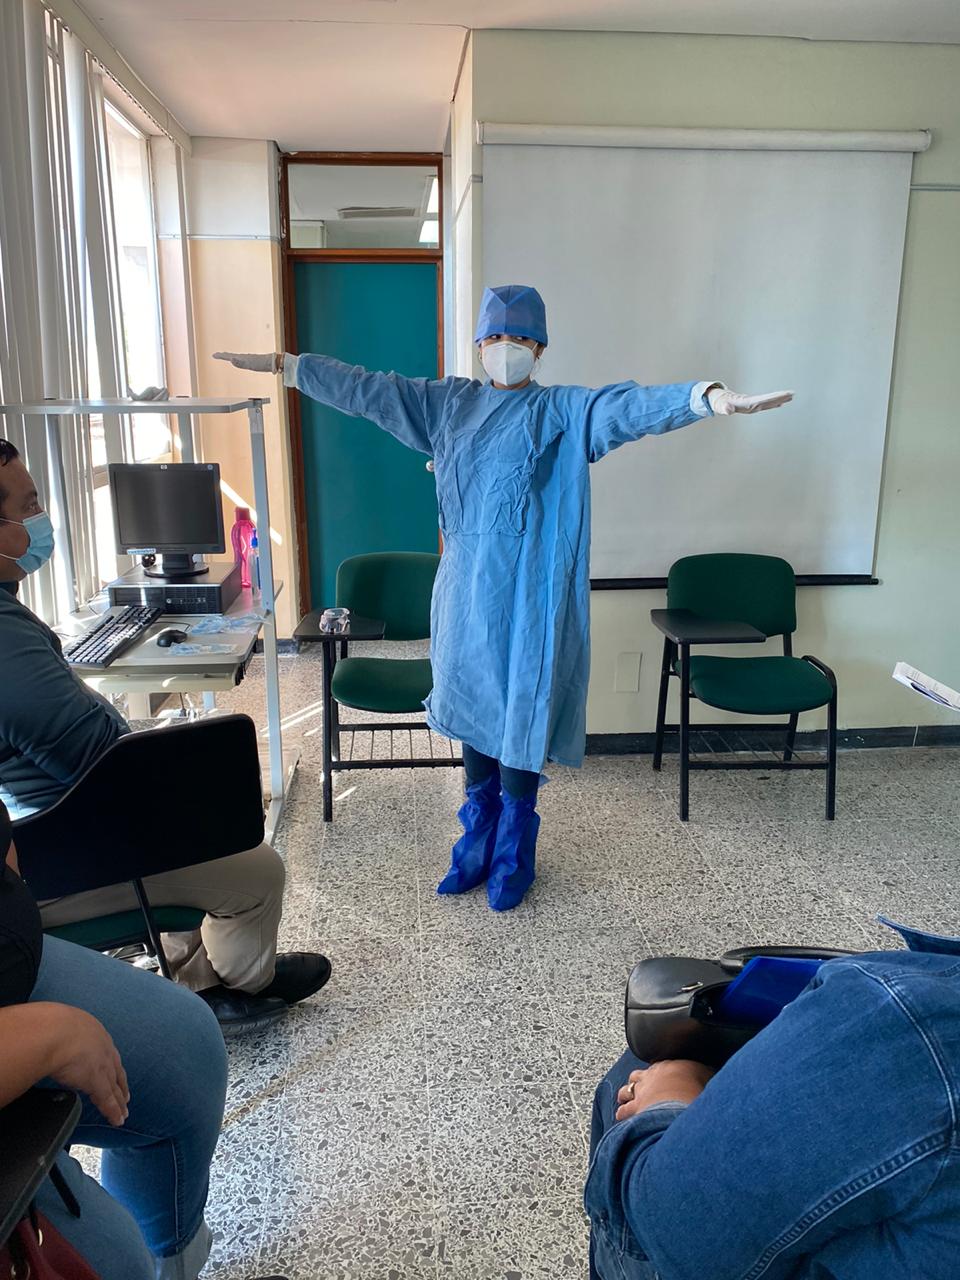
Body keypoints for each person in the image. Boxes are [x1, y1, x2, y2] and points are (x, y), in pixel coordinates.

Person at [215, 284, 792, 910]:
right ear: (478, 344)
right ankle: (475, 841)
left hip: (532, 598)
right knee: (471, 708)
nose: (504, 347)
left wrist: (704, 398)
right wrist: (292, 368)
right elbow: (369, 391)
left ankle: (516, 850)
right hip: (465, 595)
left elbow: (625, 407)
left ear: (539, 348)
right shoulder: (449, 406)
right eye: (493, 336)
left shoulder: (562, 412)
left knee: (520, 712)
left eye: (518, 337)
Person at [0, 438, 329, 1034]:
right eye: (28, 507)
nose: (41, 518)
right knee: (258, 869)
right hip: (53, 852)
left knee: (195, 818)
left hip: (49, 826)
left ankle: (198, 973)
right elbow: (94, 755)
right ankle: (240, 985)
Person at [586, 937, 960, 1279]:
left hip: (685, 1241)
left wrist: (671, 1092)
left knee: (633, 1075)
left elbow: (673, 1220)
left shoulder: (914, 1025)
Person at [0, 796, 240, 1280]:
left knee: (187, 1052)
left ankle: (174, 1268)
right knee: (113, 1262)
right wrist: (47, 1038)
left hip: (16, 958)